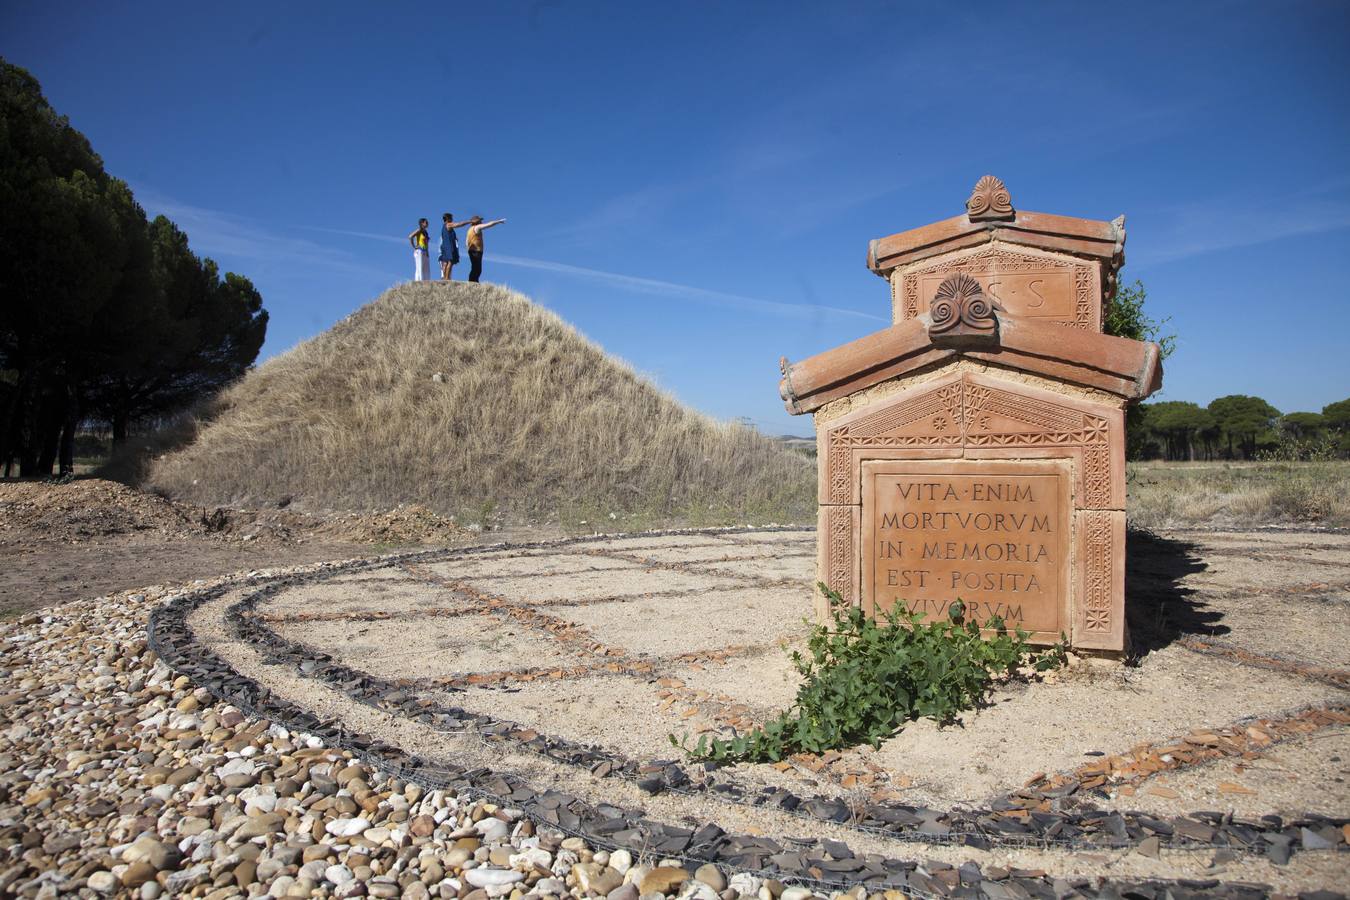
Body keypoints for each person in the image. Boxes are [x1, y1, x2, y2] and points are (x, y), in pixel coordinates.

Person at [464, 216, 506, 283]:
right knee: (477, 268)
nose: (481, 222)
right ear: (477, 222)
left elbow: (466, 241)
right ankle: (473, 282)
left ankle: (473, 281)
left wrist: (467, 248)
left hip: (471, 250)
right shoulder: (477, 227)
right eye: (480, 220)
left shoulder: (469, 229)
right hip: (476, 250)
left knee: (475, 267)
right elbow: (489, 224)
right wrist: (498, 221)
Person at [438, 213, 470, 280]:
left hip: (444, 246)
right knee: (450, 261)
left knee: (445, 262)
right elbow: (459, 224)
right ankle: (447, 278)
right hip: (449, 246)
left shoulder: (443, 226)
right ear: (448, 218)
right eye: (451, 218)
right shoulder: (448, 224)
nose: (452, 219)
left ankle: (444, 278)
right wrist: (469, 221)